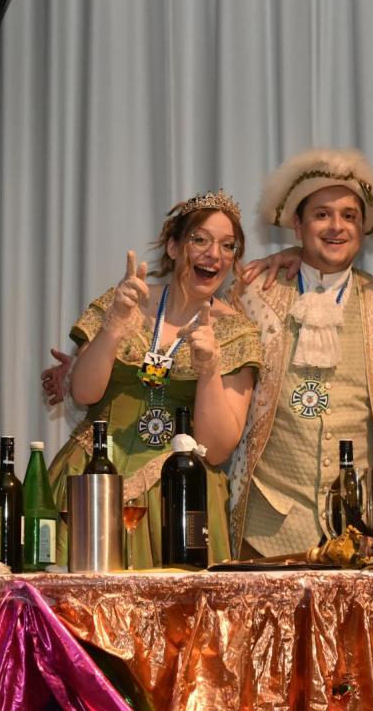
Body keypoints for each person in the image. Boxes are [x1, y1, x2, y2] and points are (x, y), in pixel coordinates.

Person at [46, 190, 261, 567]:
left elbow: (217, 448)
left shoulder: (237, 332)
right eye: (200, 239)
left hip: (179, 496)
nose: (215, 254)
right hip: (93, 480)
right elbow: (83, 392)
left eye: (228, 246)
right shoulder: (126, 301)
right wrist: (114, 325)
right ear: (173, 246)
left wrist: (209, 370)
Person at [228, 149, 373, 558]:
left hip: (364, 531)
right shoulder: (251, 297)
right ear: (297, 224)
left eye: (349, 215)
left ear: (362, 228)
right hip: (266, 531)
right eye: (322, 214)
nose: (336, 226)